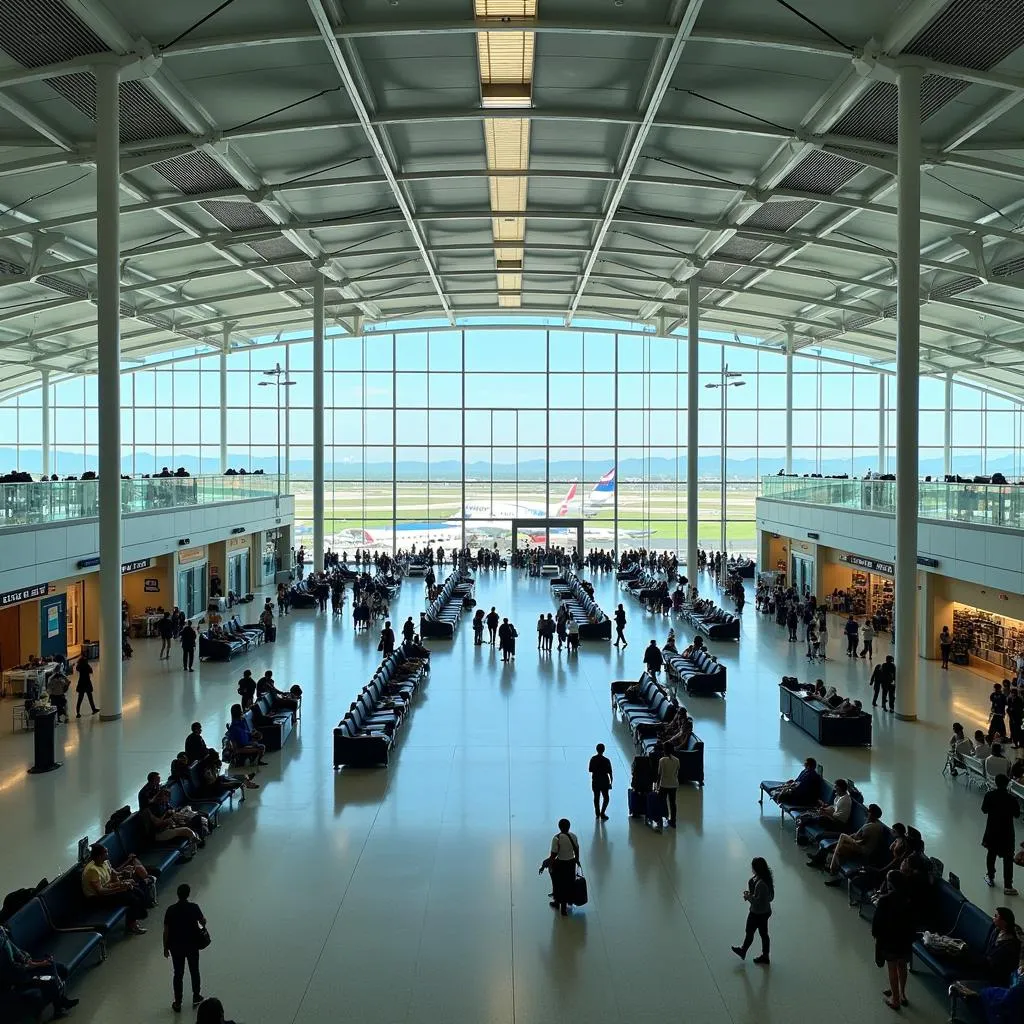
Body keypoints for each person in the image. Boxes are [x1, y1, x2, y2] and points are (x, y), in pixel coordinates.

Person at [0, 923, 79, 1018]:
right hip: (15, 979)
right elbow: (11, 968)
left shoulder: (3, 932)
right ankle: (60, 1004)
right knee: (50, 979)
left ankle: (59, 1005)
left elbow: (17, 952)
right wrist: (36, 964)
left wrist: (30, 961)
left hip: (24, 968)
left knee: (51, 963)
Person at [81, 844, 148, 935]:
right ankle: (131, 926)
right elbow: (100, 891)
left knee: (138, 891)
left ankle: (137, 916)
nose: (107, 854)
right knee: (132, 899)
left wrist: (124, 875)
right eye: (106, 853)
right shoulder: (92, 870)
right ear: (99, 856)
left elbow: (114, 874)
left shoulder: (105, 862)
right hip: (96, 898)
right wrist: (120, 888)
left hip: (108, 889)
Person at [871, 870, 914, 1009]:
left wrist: (876, 937)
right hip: (905, 940)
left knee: (892, 968)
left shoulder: (885, 900)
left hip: (889, 940)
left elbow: (877, 924)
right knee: (902, 965)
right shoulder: (908, 899)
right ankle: (902, 994)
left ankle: (894, 999)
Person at [163, 883, 207, 1013]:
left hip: (176, 946)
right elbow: (203, 921)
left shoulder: (170, 910)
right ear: (188, 894)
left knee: (178, 973)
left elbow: (166, 931)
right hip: (192, 944)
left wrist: (165, 948)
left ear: (178, 894)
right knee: (194, 970)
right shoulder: (194, 907)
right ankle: (196, 996)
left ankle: (177, 1001)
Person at [822, 803, 885, 884]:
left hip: (863, 849)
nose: (867, 812)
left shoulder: (870, 827)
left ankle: (832, 869)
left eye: (868, 811)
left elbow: (861, 840)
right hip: (863, 846)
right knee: (840, 848)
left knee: (841, 842)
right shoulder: (876, 825)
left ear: (872, 814)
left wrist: (851, 839)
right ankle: (833, 868)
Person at [730, 857, 773, 965]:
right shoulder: (765, 879)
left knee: (750, 931)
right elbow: (769, 897)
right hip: (765, 911)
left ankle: (743, 950)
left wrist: (749, 896)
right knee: (763, 934)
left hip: (757, 913)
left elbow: (757, 902)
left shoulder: (761, 884)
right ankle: (764, 955)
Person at [983, 774, 1021, 895]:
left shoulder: (989, 795)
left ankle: (990, 877)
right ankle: (1008, 886)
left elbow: (984, 809)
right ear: (1007, 784)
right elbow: (1017, 814)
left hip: (992, 830)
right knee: (1008, 858)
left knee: (991, 853)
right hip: (1007, 832)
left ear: (996, 782)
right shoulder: (1012, 799)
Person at [542, 818, 579, 917]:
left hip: (560, 864)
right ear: (569, 826)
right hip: (571, 863)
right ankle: (566, 904)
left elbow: (553, 855)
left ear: (559, 827)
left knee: (558, 884)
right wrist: (577, 860)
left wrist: (546, 864)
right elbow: (577, 849)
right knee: (569, 883)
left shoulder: (557, 838)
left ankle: (558, 903)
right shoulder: (573, 836)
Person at [658, 745, 680, 828]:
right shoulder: (677, 760)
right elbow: (677, 772)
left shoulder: (662, 760)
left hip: (664, 784)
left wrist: (657, 785)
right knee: (672, 803)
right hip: (673, 784)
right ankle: (673, 821)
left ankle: (659, 819)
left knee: (661, 802)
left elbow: (659, 774)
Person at [589, 743, 613, 820]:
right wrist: (610, 783)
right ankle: (603, 813)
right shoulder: (606, 760)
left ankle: (597, 813)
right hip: (604, 781)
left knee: (596, 797)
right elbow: (610, 773)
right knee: (606, 797)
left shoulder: (593, 759)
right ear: (604, 750)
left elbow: (590, 769)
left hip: (595, 780)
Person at [74, 653, 98, 717]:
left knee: (80, 699)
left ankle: (78, 713)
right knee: (90, 697)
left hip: (81, 683)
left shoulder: (79, 666)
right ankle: (93, 709)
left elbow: (77, 668)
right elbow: (91, 671)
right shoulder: (87, 666)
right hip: (87, 683)